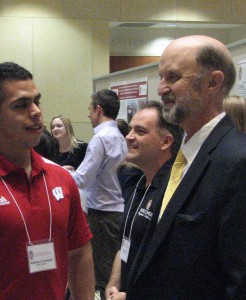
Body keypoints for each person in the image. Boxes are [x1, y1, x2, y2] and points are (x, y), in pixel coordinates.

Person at [124, 35, 246, 300]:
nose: (161, 89)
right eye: (161, 77)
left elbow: (239, 280)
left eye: (174, 77)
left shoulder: (237, 161)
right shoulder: (182, 157)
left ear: (213, 82)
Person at [0, 62, 95, 299]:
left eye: (36, 101)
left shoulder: (61, 177)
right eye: (21, 105)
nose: (36, 111)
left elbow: (79, 252)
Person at [106, 101, 183, 300]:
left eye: (139, 131)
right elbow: (126, 241)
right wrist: (114, 283)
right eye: (130, 129)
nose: (128, 136)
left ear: (166, 142)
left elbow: (171, 268)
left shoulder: (175, 191)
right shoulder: (139, 182)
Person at [72, 89, 127, 298]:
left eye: (89, 110)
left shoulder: (100, 139)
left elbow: (83, 180)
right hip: (116, 213)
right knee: (112, 275)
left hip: (103, 215)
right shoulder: (119, 136)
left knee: (104, 278)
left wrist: (58, 174)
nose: (88, 115)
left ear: (98, 109)